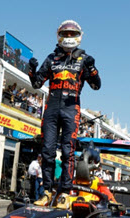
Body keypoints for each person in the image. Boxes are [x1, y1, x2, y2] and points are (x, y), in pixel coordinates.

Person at [28, 20, 101, 208]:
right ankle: (46, 191)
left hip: (71, 109)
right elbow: (36, 83)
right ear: (59, 35)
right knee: (47, 152)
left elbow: (96, 85)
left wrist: (92, 69)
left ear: (78, 35)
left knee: (68, 152)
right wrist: (31, 70)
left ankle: (65, 193)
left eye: (72, 34)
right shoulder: (52, 58)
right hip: (51, 108)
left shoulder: (84, 59)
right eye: (65, 34)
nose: (68, 37)